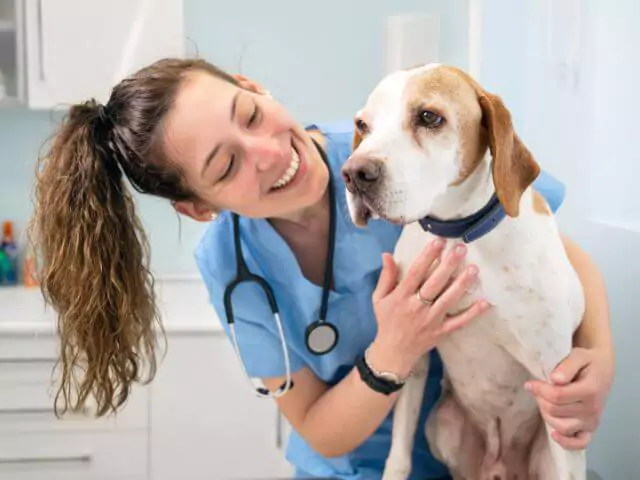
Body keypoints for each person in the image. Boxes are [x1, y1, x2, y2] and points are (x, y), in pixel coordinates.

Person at [30, 58, 615, 479]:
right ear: (199, 207)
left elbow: (553, 254)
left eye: (250, 114)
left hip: (447, 456)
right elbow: (316, 426)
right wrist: (396, 349)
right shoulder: (232, 267)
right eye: (227, 163)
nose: (268, 152)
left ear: (254, 85)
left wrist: (599, 360)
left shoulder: (381, 155)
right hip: (347, 467)